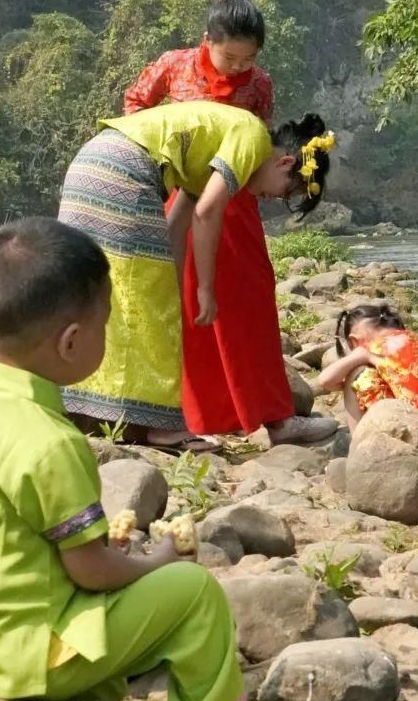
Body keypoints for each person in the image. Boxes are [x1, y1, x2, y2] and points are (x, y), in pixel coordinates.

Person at [0, 217, 301, 701]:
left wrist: (112, 551)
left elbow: (18, 548)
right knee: (194, 596)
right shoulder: (51, 442)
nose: (108, 336)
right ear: (71, 341)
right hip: (37, 658)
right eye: (105, 325)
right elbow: (93, 571)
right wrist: (157, 564)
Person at [124, 0, 337, 448]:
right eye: (229, 58)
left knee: (250, 302)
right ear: (207, 41)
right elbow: (135, 107)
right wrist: (163, 165)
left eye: (248, 60)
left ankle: (276, 417)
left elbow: (259, 140)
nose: (239, 69)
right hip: (182, 196)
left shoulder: (259, 84)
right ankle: (186, 416)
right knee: (181, 304)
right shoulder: (174, 64)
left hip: (235, 198)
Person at [58, 100, 334, 447]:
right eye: (285, 191)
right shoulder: (251, 136)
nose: (271, 198)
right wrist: (205, 288)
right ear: (285, 162)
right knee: (144, 312)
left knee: (94, 292)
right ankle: (162, 428)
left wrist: (170, 290)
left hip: (90, 164)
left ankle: (78, 409)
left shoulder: (210, 156)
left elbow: (178, 225)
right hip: (125, 172)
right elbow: (206, 213)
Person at [317, 302, 418, 456]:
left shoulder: (373, 348)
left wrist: (362, 356)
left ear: (354, 340)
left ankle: (358, 451)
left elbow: (326, 380)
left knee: (356, 374)